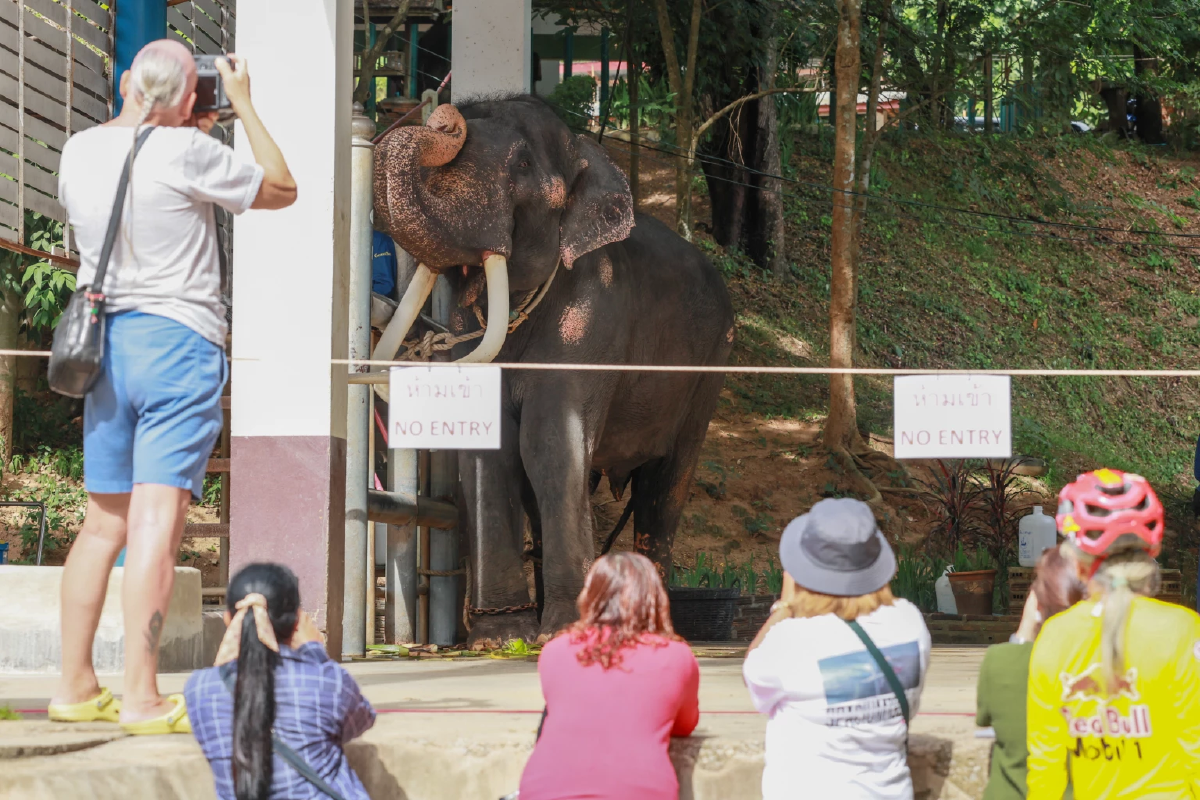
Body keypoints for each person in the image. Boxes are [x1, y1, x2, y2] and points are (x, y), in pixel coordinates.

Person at [47, 39, 296, 733]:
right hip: (177, 347)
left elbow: (122, 200)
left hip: (103, 350)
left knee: (103, 524)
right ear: (191, 101)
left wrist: (187, 130)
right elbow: (281, 187)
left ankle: (73, 686)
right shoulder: (190, 152)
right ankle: (141, 696)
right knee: (157, 524)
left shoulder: (78, 150)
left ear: (128, 83)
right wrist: (242, 107)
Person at [1027, 469, 1200, 800]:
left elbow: (1045, 768)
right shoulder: (1183, 630)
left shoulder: (1054, 636)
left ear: (1076, 564)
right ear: (1154, 550)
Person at [743, 497, 932, 800]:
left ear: (803, 568)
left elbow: (753, 670)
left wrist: (785, 606)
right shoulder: (909, 622)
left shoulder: (791, 639)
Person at [517, 552, 700, 800]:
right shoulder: (677, 655)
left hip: (544, 791)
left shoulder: (555, 651)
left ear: (590, 596)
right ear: (654, 598)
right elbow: (685, 725)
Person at [185, 563, 376, 800]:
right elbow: (363, 719)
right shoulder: (327, 680)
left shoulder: (199, 688)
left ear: (228, 620)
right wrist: (314, 653)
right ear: (297, 622)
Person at [977, 548, 1084, 800]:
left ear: (1036, 601)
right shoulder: (1108, 664)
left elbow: (985, 719)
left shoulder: (1000, 661)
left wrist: (1025, 630)